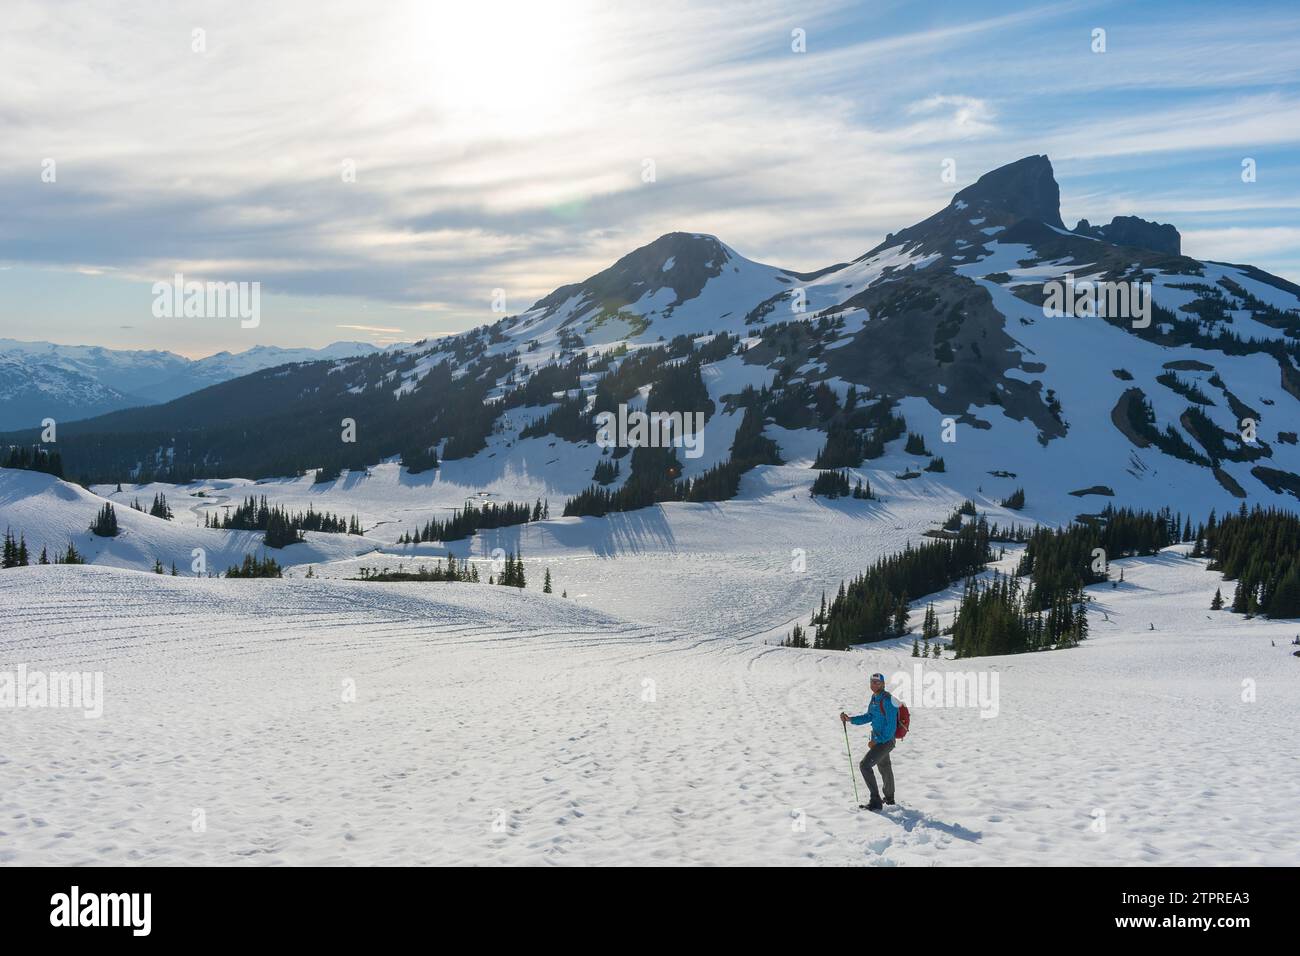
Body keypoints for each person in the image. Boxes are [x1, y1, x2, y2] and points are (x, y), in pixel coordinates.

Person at [840, 673, 899, 811]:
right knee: (884, 767)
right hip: (878, 740)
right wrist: (851, 720)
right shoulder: (874, 698)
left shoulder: (888, 700)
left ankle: (875, 801)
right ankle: (889, 799)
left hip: (885, 741)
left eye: (877, 683)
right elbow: (869, 716)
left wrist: (876, 741)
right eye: (872, 682)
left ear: (883, 684)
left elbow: (891, 728)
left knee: (864, 765)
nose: (874, 685)